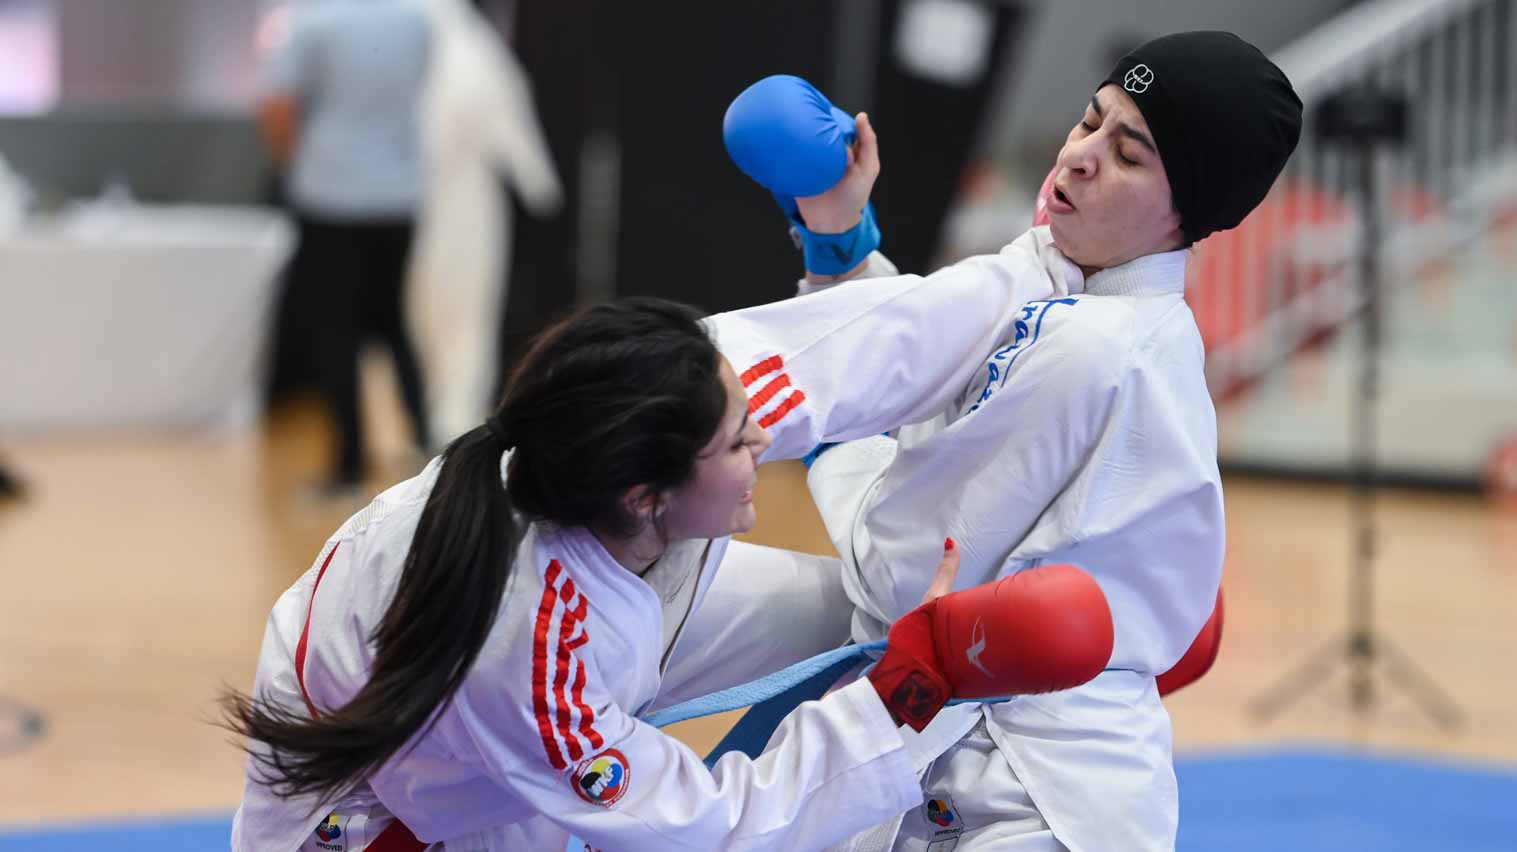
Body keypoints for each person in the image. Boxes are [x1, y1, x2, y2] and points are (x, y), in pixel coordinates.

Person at [223, 297, 1116, 851]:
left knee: (856, 618)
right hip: (396, 813)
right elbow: (706, 827)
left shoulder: (644, 418)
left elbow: (865, 346)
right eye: (736, 444)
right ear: (648, 497)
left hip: (510, 669)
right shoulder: (533, 650)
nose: (762, 439)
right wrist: (912, 690)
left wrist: (857, 242)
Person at [789, 31, 1302, 851]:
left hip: (1028, 801)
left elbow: (901, 574)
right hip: (975, 763)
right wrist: (841, 244)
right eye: (1089, 121)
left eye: (1127, 155)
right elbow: (928, 373)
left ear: (1186, 211)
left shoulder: (1096, 346)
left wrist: (816, 425)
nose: (1078, 158)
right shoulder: (1057, 282)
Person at [257, 0, 434, 499]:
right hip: (399, 194)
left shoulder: (313, 24)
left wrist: (293, 164)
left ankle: (349, 464)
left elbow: (277, 108)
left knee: (335, 329)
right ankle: (426, 443)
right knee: (393, 320)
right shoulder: (415, 21)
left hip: (330, 196)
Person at [408, 0, 562, 445]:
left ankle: (448, 414)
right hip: (442, 201)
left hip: (449, 199)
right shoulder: (466, 45)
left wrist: (535, 177)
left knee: (449, 308)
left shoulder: (458, 43)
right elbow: (503, 109)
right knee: (453, 309)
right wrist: (536, 179)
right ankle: (443, 414)